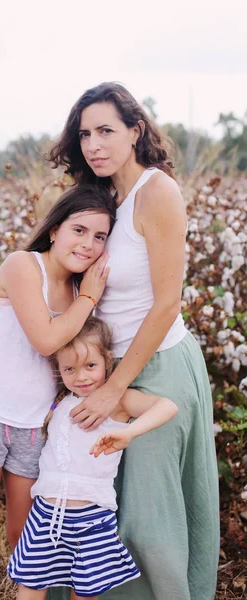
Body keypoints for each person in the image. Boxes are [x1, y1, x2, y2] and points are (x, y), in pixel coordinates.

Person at [44, 82, 219, 600]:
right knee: (97, 510)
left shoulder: (156, 192)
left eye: (106, 131)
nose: (94, 144)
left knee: (147, 519)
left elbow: (167, 304)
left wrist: (112, 390)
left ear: (135, 130)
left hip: (157, 366)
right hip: (99, 366)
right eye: (84, 134)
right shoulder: (99, 198)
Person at [0, 184, 116, 600]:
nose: (88, 244)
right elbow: (46, 340)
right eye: (80, 230)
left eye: (100, 236)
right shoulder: (22, 266)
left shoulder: (76, 292)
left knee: (25, 540)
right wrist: (90, 295)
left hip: (34, 426)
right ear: (55, 229)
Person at [8, 317, 178, 599]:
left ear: (107, 361)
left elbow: (167, 406)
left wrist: (131, 432)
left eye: (90, 365)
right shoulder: (60, 400)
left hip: (92, 518)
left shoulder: (117, 402)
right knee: (30, 583)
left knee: (86, 590)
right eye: (69, 369)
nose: (81, 376)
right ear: (59, 370)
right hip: (45, 514)